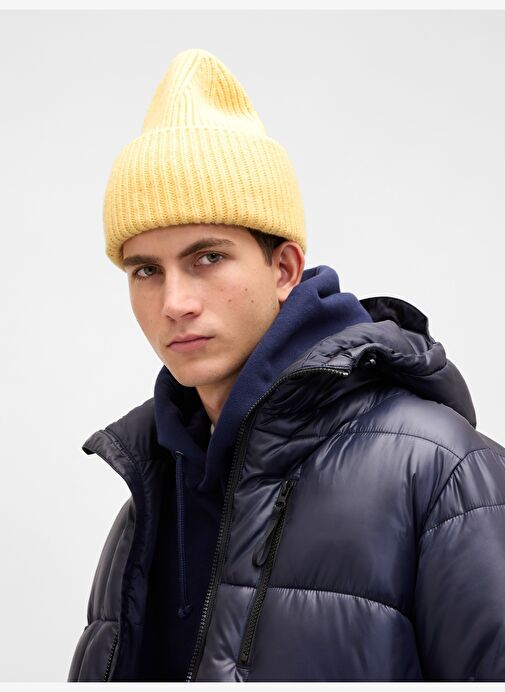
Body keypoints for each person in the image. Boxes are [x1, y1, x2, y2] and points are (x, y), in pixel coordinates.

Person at [67, 48, 505, 683]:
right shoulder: (149, 498)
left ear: (284, 269)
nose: (175, 303)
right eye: (145, 270)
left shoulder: (440, 471)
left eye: (207, 258)